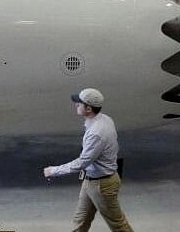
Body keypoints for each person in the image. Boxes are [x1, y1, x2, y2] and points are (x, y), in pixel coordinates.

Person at [44, 88, 134, 232]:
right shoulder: (104, 119)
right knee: (80, 222)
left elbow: (82, 162)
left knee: (119, 226)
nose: (76, 105)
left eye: (79, 103)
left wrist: (53, 171)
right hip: (92, 180)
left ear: (89, 108)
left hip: (102, 185)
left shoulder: (96, 133)